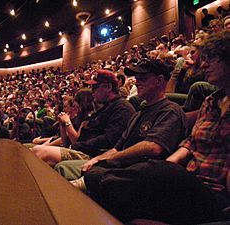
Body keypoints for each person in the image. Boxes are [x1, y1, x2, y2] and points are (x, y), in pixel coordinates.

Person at [83, 30, 230, 224]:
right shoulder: (210, 101)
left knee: (157, 172)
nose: (204, 64)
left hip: (214, 194)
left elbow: (153, 148)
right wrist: (166, 165)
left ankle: (98, 184)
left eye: (212, 59)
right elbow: (189, 144)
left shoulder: (169, 110)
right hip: (187, 180)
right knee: (157, 174)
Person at [55, 59, 187, 181]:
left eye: (143, 78)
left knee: (68, 174)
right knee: (64, 168)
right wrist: (97, 160)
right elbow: (117, 147)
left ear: (159, 80)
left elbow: (153, 147)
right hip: (116, 167)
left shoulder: (170, 110)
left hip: (136, 174)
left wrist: (109, 158)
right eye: (136, 78)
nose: (136, 82)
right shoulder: (139, 114)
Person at [32, 69, 135, 166]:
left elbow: (108, 140)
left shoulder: (122, 108)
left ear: (108, 87)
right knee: (34, 150)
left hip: (96, 156)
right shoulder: (104, 108)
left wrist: (77, 146)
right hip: (83, 150)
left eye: (95, 87)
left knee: (40, 152)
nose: (92, 91)